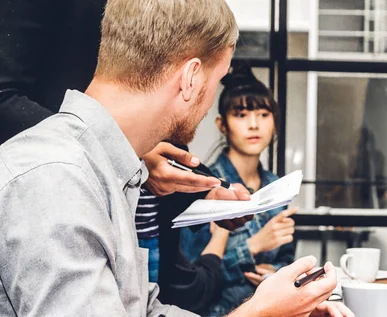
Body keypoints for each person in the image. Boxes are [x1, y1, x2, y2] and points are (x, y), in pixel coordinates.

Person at [0, 1, 358, 317]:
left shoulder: (109, 167)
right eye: (217, 80)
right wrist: (252, 316)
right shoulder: (54, 178)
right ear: (190, 78)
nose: (208, 106)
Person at [0, 0, 230, 286]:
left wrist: (198, 192)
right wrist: (118, 148)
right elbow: (4, 96)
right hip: (61, 198)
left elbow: (161, 97)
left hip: (140, 216)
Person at [175, 65, 301, 317]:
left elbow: (286, 257)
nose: (254, 124)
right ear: (222, 124)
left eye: (263, 113)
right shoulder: (204, 185)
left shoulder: (277, 187)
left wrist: (276, 273)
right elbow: (190, 274)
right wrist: (254, 247)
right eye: (242, 114)